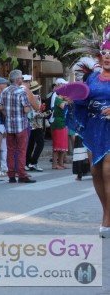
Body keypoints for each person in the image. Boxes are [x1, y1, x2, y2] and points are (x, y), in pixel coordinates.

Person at [66, 27, 110, 237]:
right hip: (94, 127)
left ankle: (107, 219)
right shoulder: (91, 77)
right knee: (95, 172)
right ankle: (107, 210)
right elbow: (83, 99)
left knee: (108, 172)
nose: (108, 58)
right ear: (100, 56)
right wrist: (72, 100)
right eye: (105, 54)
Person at [0, 70, 36, 183]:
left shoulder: (4, 90)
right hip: (21, 125)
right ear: (17, 79)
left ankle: (11, 174)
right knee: (21, 150)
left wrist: (8, 115)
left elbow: (1, 107)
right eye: (21, 78)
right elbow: (26, 109)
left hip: (9, 125)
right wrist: (29, 106)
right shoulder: (21, 91)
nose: (22, 80)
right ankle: (21, 174)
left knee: (10, 150)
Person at [25, 81, 46, 172]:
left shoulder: (30, 97)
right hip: (36, 124)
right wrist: (43, 115)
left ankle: (28, 162)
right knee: (40, 143)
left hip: (31, 124)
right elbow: (33, 113)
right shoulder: (34, 98)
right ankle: (33, 162)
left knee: (30, 145)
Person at [51, 79, 69, 170]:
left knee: (63, 145)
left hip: (63, 123)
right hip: (58, 123)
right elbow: (64, 107)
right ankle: (55, 164)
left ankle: (61, 163)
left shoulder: (61, 100)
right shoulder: (58, 100)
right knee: (57, 145)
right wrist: (68, 102)